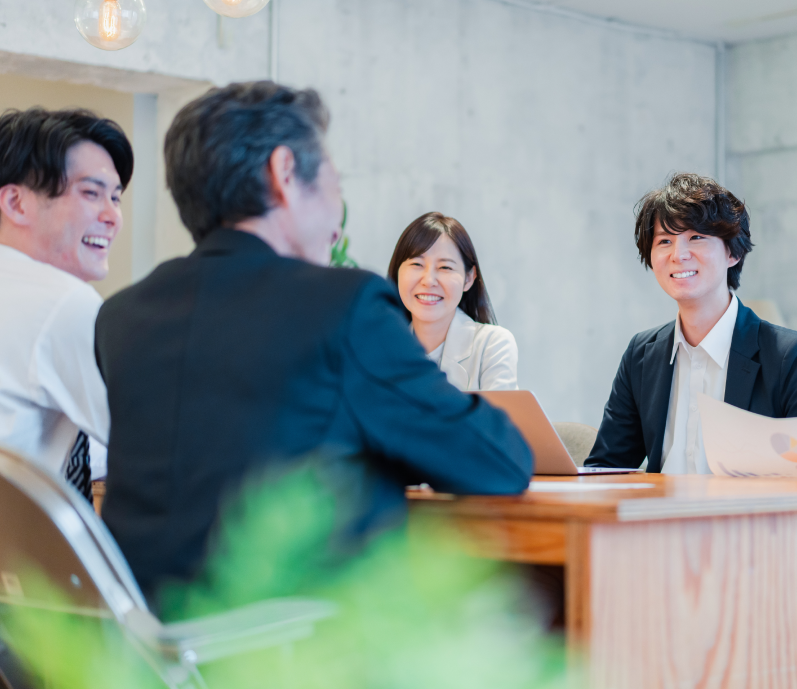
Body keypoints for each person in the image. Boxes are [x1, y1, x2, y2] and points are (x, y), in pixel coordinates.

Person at [95, 82, 532, 601]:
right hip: (301, 653)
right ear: (284, 174)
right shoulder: (344, 307)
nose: (337, 202)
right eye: (333, 178)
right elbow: (497, 460)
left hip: (145, 657)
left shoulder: (121, 316)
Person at [585, 173, 797, 474]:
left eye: (696, 237)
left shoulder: (789, 355)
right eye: (664, 241)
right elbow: (606, 467)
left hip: (747, 519)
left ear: (733, 251)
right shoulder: (642, 354)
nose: (678, 255)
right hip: (658, 518)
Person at [0, 108, 132, 500]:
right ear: (16, 203)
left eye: (115, 197)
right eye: (91, 193)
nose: (112, 217)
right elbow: (147, 440)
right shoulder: (60, 300)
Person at [387, 212, 518, 390]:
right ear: (397, 272)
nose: (428, 280)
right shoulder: (379, 351)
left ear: (469, 278)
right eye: (417, 264)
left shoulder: (493, 345)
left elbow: (500, 417)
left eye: (445, 267)